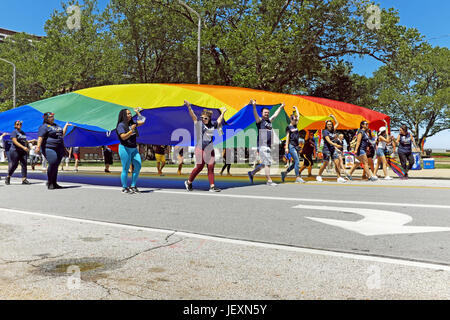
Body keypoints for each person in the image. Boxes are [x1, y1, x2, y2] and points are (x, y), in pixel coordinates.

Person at [184, 101, 226, 192]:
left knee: (211, 167)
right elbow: (193, 117)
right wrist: (189, 107)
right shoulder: (199, 124)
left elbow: (219, 121)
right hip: (200, 148)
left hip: (210, 149)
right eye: (202, 118)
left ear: (209, 118)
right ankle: (188, 182)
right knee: (199, 167)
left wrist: (223, 112)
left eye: (205, 118)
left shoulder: (213, 124)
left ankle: (212, 186)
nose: (203, 119)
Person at [248, 100, 284, 186]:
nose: (267, 114)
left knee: (264, 164)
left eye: (268, 112)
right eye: (265, 112)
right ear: (262, 113)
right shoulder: (260, 121)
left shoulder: (269, 121)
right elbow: (255, 115)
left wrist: (281, 107)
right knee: (267, 163)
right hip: (262, 145)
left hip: (268, 145)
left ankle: (252, 173)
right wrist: (254, 106)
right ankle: (269, 180)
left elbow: (275, 114)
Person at [36, 113, 73, 189]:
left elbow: (62, 134)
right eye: (50, 117)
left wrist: (65, 126)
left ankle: (54, 183)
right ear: (46, 118)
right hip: (48, 147)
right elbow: (40, 137)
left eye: (53, 116)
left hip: (59, 147)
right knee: (53, 162)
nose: (52, 118)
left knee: (56, 165)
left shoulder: (57, 126)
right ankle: (50, 182)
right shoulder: (44, 127)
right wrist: (38, 147)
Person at [116, 108, 146, 193]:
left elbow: (143, 121)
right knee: (125, 168)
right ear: (123, 116)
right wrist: (131, 130)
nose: (130, 115)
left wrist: (137, 113)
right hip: (124, 148)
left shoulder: (132, 123)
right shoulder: (121, 125)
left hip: (133, 148)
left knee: (138, 165)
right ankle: (124, 187)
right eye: (128, 114)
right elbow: (123, 137)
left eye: (130, 113)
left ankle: (133, 186)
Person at [316, 115, 347, 183]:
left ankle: (339, 177)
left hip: (332, 149)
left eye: (330, 124)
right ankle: (319, 176)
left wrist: (333, 117)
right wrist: (336, 145)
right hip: (326, 149)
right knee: (325, 163)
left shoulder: (333, 131)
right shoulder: (325, 131)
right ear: (326, 125)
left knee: (337, 162)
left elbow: (337, 123)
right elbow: (328, 141)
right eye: (328, 124)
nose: (329, 125)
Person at [281, 107, 305, 183]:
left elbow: (298, 116)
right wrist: (286, 148)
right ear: (291, 119)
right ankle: (297, 177)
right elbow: (287, 137)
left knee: (295, 162)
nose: (296, 120)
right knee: (297, 161)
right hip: (291, 146)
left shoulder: (295, 126)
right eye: (294, 119)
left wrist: (296, 109)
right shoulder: (288, 127)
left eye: (296, 119)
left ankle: (285, 173)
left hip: (296, 146)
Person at [5, 120, 31, 185]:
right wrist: (23, 147)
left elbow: (24, 141)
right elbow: (15, 141)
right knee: (14, 165)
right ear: (15, 125)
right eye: (17, 124)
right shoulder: (14, 132)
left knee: (24, 164)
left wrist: (28, 144)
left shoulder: (23, 132)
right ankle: (8, 176)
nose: (19, 125)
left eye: (20, 124)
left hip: (23, 151)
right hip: (15, 151)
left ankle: (24, 179)